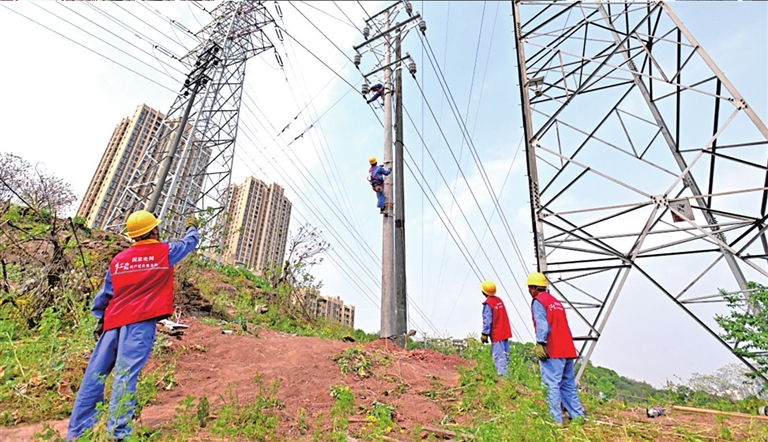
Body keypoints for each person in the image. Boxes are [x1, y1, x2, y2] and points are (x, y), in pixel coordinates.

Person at [66, 210, 199, 441]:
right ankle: (118, 434)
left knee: (95, 375)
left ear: (133, 236)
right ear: (154, 230)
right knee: (125, 376)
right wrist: (192, 227)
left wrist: (101, 320)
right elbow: (190, 243)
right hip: (139, 325)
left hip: (112, 322)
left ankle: (78, 433)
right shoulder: (165, 252)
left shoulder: (119, 260)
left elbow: (105, 294)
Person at [526, 271, 585, 423]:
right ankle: (578, 417)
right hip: (567, 349)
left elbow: (542, 324)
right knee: (568, 384)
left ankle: (555, 421)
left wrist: (540, 342)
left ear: (534, 288)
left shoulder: (538, 301)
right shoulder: (556, 303)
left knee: (551, 384)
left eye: (529, 288)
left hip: (553, 349)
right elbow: (565, 326)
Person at [480, 280, 512, 376]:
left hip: (497, 334)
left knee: (499, 358)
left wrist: (485, 333)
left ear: (484, 292)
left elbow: (487, 319)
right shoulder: (499, 300)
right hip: (505, 333)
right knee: (506, 358)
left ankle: (503, 380)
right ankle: (509, 379)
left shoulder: (488, 304)